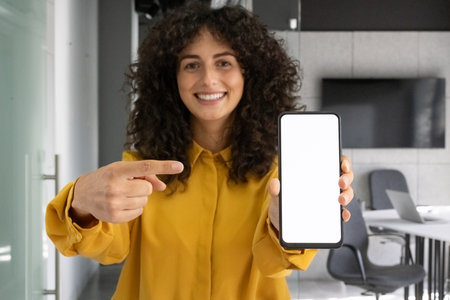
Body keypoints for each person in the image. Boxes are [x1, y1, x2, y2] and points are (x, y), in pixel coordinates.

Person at [46, 2, 354, 300]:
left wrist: (282, 226)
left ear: (250, 74)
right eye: (191, 65)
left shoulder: (281, 177)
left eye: (224, 63)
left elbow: (277, 264)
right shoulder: (142, 169)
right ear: (171, 79)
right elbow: (107, 247)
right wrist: (80, 203)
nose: (208, 79)